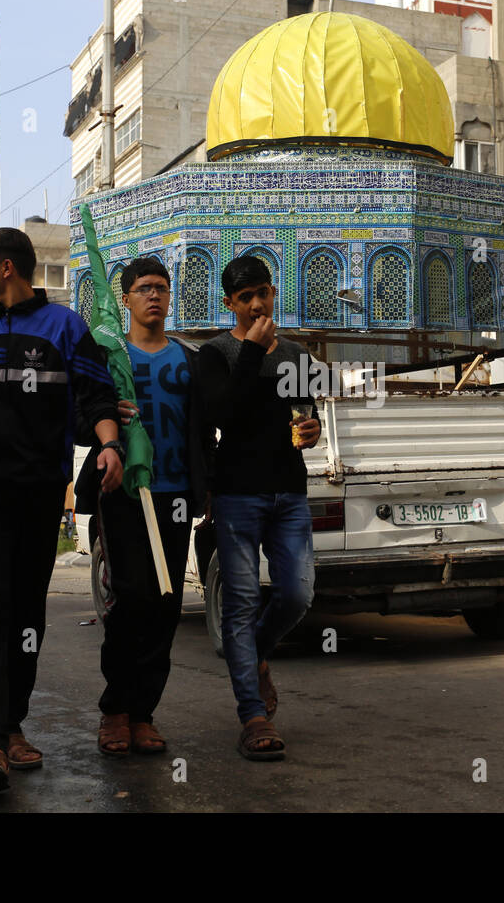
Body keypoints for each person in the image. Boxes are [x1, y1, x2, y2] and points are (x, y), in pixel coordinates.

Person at [0, 226, 123, 796]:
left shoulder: (65, 326)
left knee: (25, 616)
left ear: (7, 268)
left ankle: (13, 723)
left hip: (41, 491)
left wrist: (110, 444)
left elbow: (95, 397)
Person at [74, 256, 215, 758]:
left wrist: (208, 485)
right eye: (144, 288)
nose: (154, 295)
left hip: (176, 495)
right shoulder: (111, 357)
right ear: (127, 298)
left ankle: (143, 714)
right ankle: (115, 711)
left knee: (166, 603)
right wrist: (111, 416)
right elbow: (79, 417)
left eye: (162, 287)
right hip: (124, 493)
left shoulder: (189, 359)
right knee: (129, 600)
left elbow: (207, 428)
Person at [198, 255, 320, 761]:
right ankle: (253, 716)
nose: (256, 303)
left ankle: (257, 657)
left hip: (289, 492)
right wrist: (250, 349)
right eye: (244, 297)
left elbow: (303, 417)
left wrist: (313, 432)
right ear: (230, 303)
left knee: (296, 595)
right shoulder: (216, 354)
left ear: (273, 293)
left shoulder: (296, 355)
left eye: (262, 293)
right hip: (237, 494)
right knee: (242, 602)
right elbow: (223, 413)